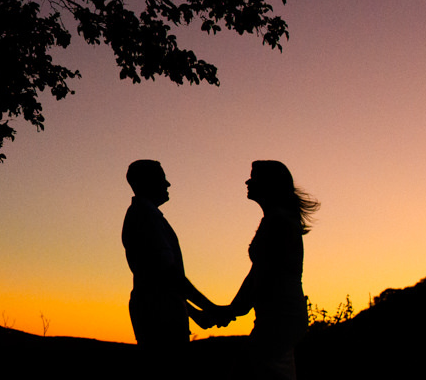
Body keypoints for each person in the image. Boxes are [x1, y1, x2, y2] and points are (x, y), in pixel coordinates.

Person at [121, 159, 230, 355]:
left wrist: (193, 313)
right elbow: (167, 274)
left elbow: (159, 279)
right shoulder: (146, 216)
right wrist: (210, 307)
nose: (167, 184)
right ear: (145, 183)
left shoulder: (144, 215)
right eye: (162, 179)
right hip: (160, 315)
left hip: (159, 311)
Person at [228, 160, 319, 380]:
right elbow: (259, 273)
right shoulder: (276, 219)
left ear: (270, 184)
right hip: (280, 314)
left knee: (254, 371)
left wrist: (230, 310)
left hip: (281, 315)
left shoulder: (277, 221)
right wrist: (232, 310)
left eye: (254, 177)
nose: (248, 181)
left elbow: (262, 274)